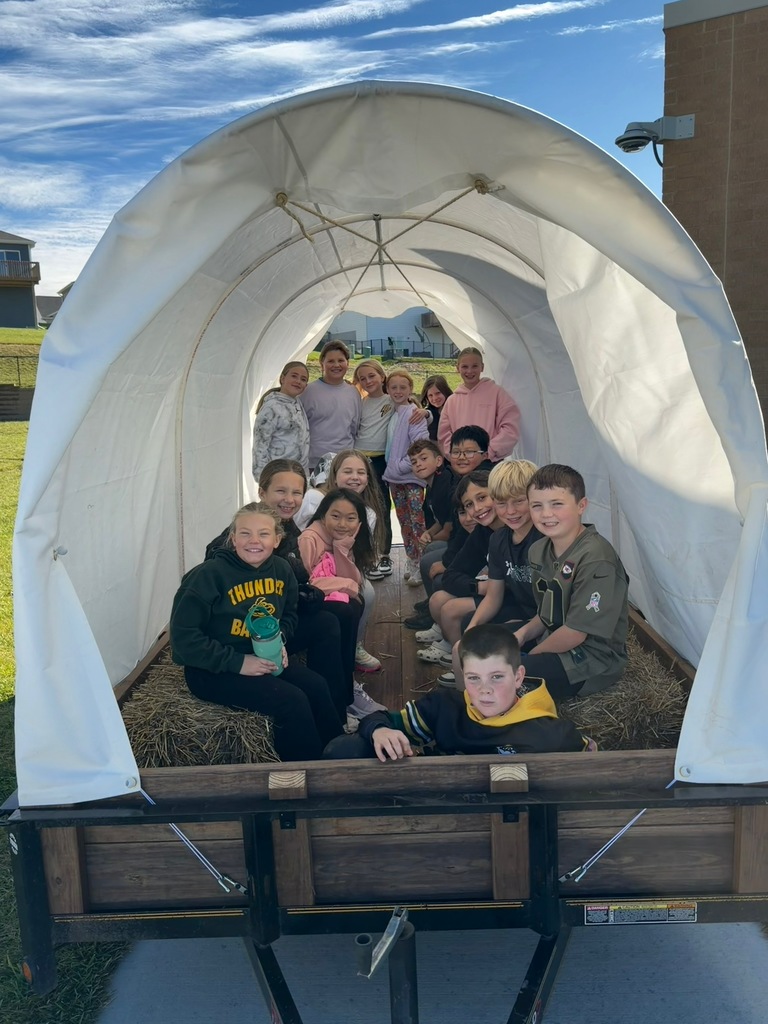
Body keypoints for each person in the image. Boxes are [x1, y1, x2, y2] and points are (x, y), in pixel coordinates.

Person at [170, 503, 343, 762]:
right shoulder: (207, 577)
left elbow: (288, 615)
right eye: (245, 533)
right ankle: (304, 775)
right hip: (211, 671)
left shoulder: (281, 570)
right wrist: (238, 662)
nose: (254, 541)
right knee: (291, 701)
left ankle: (343, 758)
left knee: (316, 686)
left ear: (277, 539)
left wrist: (279, 642)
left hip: (261, 657)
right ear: (232, 538)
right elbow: (184, 641)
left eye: (263, 534)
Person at [322, 624, 595, 760]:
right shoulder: (446, 706)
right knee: (344, 749)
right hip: (439, 807)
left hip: (508, 832)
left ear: (518, 676)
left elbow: (594, 768)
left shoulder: (552, 734)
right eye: (474, 678)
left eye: (497, 677)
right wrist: (379, 730)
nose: (484, 690)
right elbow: (382, 719)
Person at [513, 464, 629, 700]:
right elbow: (546, 615)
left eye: (557, 504)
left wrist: (527, 660)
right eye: (537, 505)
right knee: (482, 648)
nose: (546, 514)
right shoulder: (539, 550)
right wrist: (521, 636)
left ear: (581, 506)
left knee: (506, 680)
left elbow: (576, 634)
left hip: (592, 659)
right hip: (552, 639)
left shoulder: (597, 559)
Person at [258, 459, 363, 720]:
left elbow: (300, 582)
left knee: (345, 610)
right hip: (263, 627)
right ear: (262, 492)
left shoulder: (290, 528)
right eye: (281, 491)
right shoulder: (254, 531)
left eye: (296, 493)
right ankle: (336, 706)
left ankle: (344, 696)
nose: (289, 499)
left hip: (286, 611)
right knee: (331, 619)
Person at [294, 449, 385, 673]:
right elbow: (296, 530)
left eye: (360, 472)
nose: (354, 477)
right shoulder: (315, 498)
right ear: (334, 475)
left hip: (340, 562)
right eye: (348, 471)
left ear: (368, 478)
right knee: (356, 594)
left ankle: (353, 644)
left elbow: (359, 555)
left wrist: (342, 556)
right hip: (310, 567)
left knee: (366, 592)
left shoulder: (368, 514)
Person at [298, 488, 386, 716]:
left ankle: (346, 691)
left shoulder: (345, 538)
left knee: (355, 605)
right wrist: (346, 585)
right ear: (323, 515)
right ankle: (341, 696)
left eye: (350, 518)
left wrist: (341, 549)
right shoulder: (309, 539)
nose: (342, 524)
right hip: (307, 602)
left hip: (331, 597)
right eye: (335, 516)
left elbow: (352, 579)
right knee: (346, 610)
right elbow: (309, 583)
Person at [403, 425, 493, 631]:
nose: (462, 457)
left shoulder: (484, 482)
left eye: (469, 452)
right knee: (431, 555)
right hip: (470, 546)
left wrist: (448, 562)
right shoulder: (459, 481)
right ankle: (435, 611)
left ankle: (439, 619)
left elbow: (467, 531)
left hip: (485, 556)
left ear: (485, 455)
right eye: (456, 452)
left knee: (433, 565)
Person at [416, 470, 506, 670]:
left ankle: (468, 665)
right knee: (438, 599)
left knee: (451, 609)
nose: (477, 509)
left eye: (482, 497)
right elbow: (452, 575)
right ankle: (460, 659)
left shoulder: (511, 529)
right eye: (468, 505)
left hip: (513, 598)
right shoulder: (483, 532)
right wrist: (479, 587)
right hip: (494, 592)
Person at [382, 369, 430, 584]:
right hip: (395, 479)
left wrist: (399, 467)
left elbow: (420, 445)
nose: (398, 391)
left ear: (410, 389)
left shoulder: (413, 414)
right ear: (388, 390)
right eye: (394, 387)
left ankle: (423, 562)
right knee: (403, 521)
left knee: (417, 521)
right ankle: (412, 559)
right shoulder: (393, 413)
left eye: (403, 387)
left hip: (410, 478)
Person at [437, 347, 521, 463]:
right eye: (465, 366)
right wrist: (457, 456)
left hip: (490, 463)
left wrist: (487, 452)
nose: (470, 371)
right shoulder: (452, 401)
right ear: (458, 368)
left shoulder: (497, 393)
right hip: (462, 465)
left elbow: (510, 428)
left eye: (474, 366)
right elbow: (444, 436)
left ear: (482, 367)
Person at [300, 340, 362, 472]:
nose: (336, 365)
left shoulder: (353, 392)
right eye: (331, 361)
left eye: (341, 360)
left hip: (344, 461)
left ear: (347, 363)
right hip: (315, 463)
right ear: (321, 364)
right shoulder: (308, 391)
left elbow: (354, 427)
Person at [251, 361, 310, 482]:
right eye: (294, 376)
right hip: (277, 475)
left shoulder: (297, 403)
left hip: (299, 474)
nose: (298, 381)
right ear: (282, 378)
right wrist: (264, 480)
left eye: (303, 379)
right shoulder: (271, 407)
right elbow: (260, 447)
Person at [420, 374, 453, 442]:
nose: (434, 398)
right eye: (430, 395)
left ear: (445, 391)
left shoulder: (455, 409)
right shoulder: (428, 415)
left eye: (438, 393)